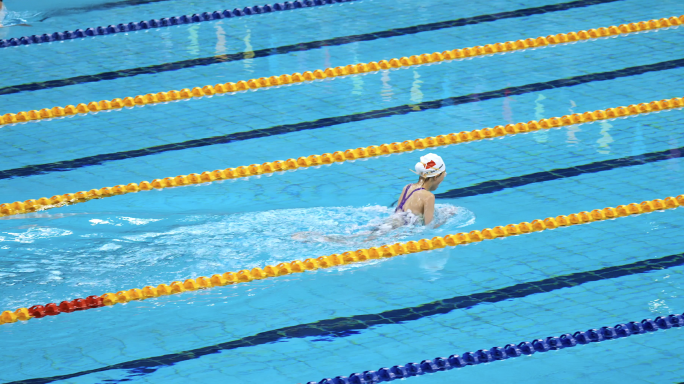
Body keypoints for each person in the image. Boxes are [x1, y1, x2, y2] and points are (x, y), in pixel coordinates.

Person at [394, 153, 447, 226]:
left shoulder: (407, 187)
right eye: (444, 175)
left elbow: (397, 214)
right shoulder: (429, 197)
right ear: (436, 177)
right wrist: (446, 218)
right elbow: (430, 226)